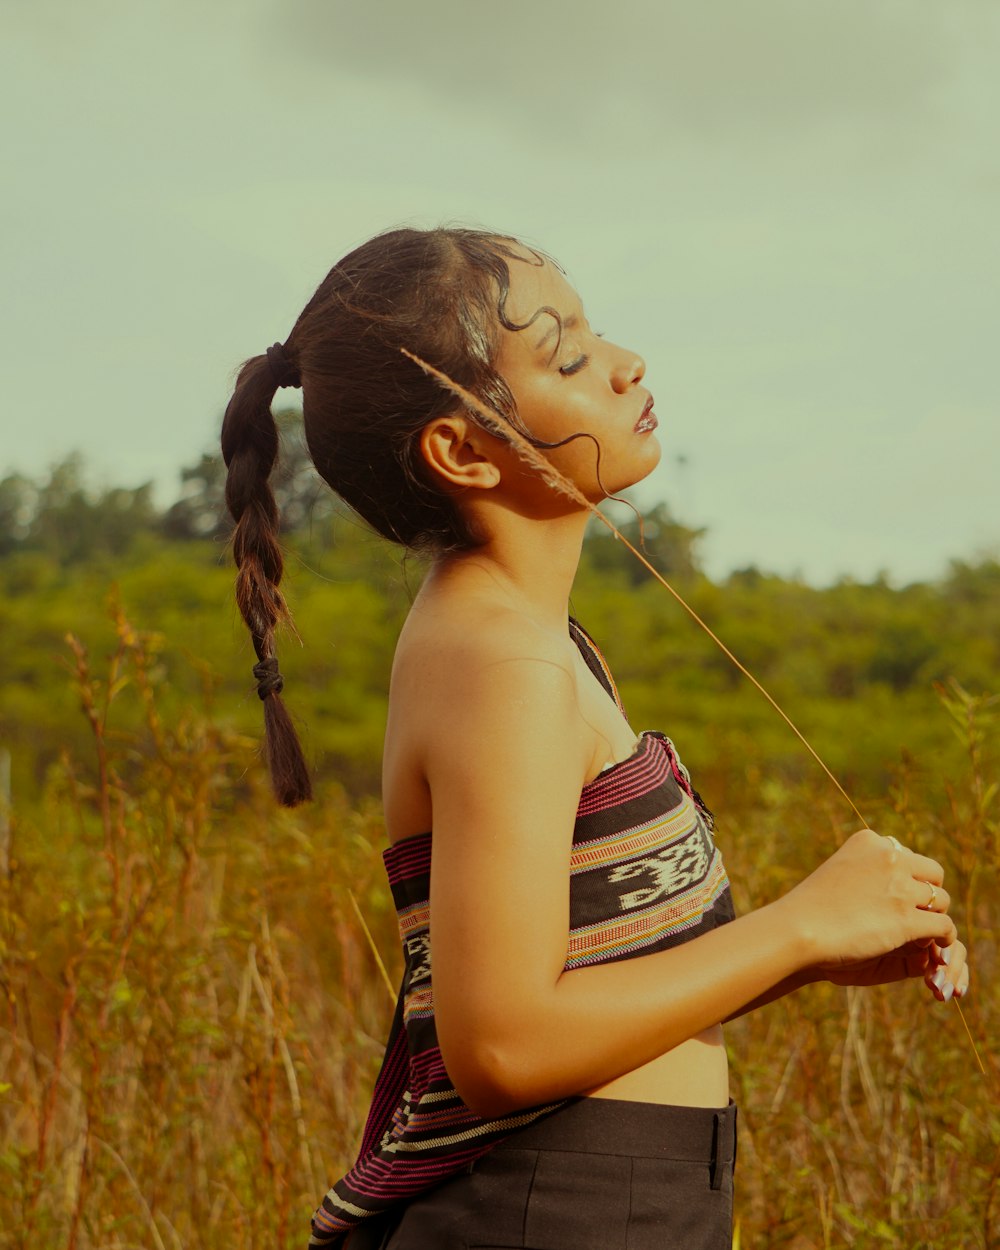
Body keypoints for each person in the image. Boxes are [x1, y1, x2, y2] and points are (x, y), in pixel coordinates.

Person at [221, 227, 969, 1250]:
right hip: (561, 1206)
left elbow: (576, 981)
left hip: (605, 1198)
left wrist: (821, 949)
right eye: (568, 356)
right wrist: (797, 924)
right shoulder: (505, 668)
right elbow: (505, 1043)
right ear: (463, 448)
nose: (627, 365)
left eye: (597, 332)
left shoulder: (532, 642)